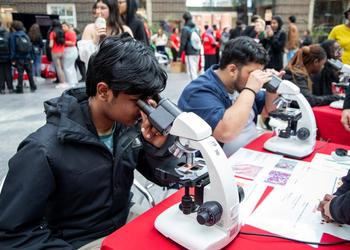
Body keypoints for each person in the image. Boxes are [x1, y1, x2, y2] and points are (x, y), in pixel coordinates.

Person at [0, 33, 176, 250]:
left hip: (123, 220)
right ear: (103, 91)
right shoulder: (43, 150)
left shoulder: (126, 127)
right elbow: (11, 234)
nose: (144, 111)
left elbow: (168, 179)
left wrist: (157, 148)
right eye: (136, 101)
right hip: (78, 241)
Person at [178, 36, 280, 156]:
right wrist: (250, 89)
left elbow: (270, 110)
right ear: (232, 70)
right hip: (223, 166)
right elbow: (226, 133)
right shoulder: (199, 92)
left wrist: (272, 87)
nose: (256, 78)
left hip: (252, 153)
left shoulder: (241, 84)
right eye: (252, 73)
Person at [80, 0, 132, 66]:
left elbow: (132, 56)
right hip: (97, 73)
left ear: (112, 10)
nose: (98, 11)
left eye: (102, 8)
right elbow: (84, 57)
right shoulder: (90, 28)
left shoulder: (125, 29)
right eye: (97, 7)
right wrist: (96, 40)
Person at [9, 20, 37, 93]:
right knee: (30, 73)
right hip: (27, 57)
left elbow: (13, 48)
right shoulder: (25, 35)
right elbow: (30, 47)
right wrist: (31, 57)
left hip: (19, 58)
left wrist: (12, 59)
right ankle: (33, 86)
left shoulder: (13, 36)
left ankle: (20, 88)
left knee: (20, 73)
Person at [179, 11, 201, 80]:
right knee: (195, 71)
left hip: (189, 52)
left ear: (184, 19)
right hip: (197, 51)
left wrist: (179, 54)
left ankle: (194, 88)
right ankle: (196, 86)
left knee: (192, 72)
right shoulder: (195, 28)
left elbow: (183, 43)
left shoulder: (185, 29)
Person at [49, 19, 66, 87]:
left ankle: (62, 83)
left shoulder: (52, 33)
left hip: (55, 52)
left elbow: (51, 44)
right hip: (62, 51)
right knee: (62, 68)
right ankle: (64, 81)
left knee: (58, 68)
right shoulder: (62, 32)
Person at [62, 22, 78, 86]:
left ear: (68, 27)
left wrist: (63, 41)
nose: (62, 28)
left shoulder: (69, 33)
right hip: (71, 50)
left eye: (64, 26)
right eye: (62, 26)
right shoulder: (70, 33)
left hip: (69, 50)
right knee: (71, 66)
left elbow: (73, 43)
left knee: (67, 67)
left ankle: (71, 83)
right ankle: (74, 81)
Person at [0, 20, 13, 94]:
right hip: (7, 56)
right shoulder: (8, 34)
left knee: (0, 73)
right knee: (8, 72)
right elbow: (11, 46)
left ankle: (2, 89)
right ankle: (10, 88)